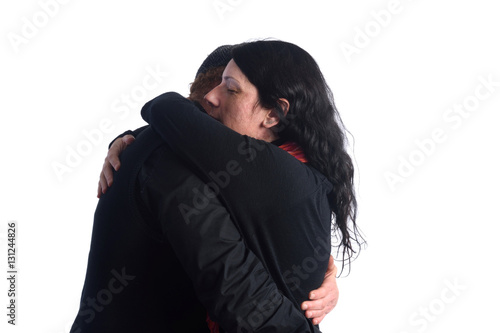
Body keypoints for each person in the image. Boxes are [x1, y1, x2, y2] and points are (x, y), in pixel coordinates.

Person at [71, 44, 338, 333]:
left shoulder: (254, 175)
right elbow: (238, 291)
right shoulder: (178, 168)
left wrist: (321, 268)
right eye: (215, 91)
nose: (214, 100)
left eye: (231, 89)